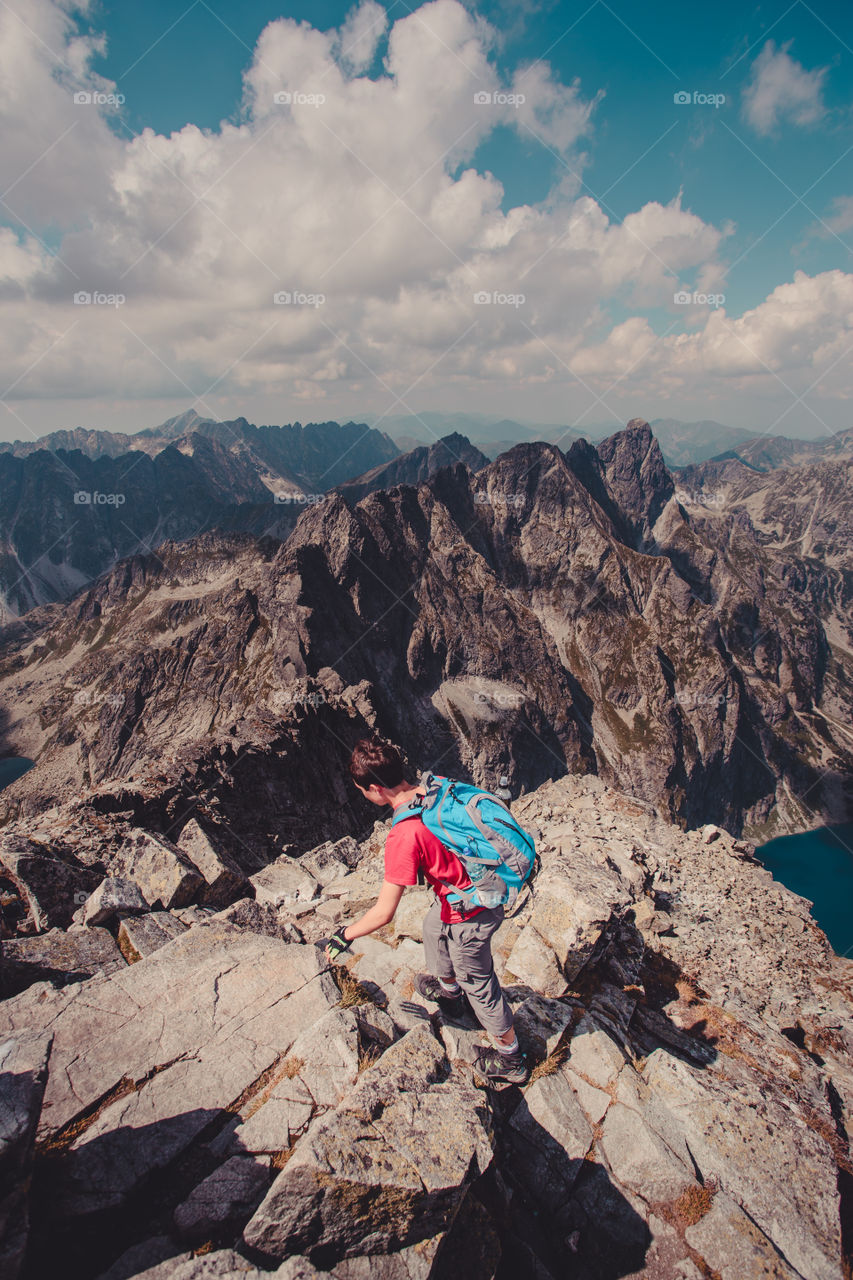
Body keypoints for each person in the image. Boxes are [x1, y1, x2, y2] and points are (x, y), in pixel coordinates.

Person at [325, 735, 528, 1084]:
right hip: (459, 895)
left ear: (375, 789)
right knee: (433, 928)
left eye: (362, 790)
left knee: (477, 981)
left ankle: (512, 1058)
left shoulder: (404, 835)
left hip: (473, 909)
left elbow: (384, 912)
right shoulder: (433, 790)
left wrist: (345, 935)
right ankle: (450, 994)